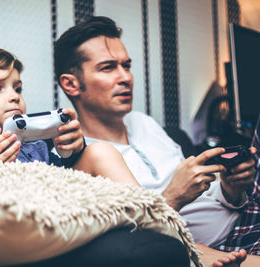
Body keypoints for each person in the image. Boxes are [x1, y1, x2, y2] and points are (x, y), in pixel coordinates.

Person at [54, 16, 259, 267]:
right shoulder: (81, 158)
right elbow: (130, 240)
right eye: (108, 67)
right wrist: (173, 196)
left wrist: (230, 188)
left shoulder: (143, 123)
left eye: (126, 66)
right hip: (217, 248)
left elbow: (205, 197)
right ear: (71, 84)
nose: (125, 77)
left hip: (246, 216)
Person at [0, 46, 139, 189]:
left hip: (63, 198)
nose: (14, 96)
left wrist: (73, 151)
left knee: (100, 150)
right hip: (27, 214)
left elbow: (66, 177)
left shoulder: (36, 144)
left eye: (17, 88)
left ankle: (150, 213)